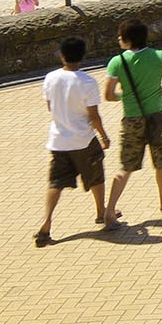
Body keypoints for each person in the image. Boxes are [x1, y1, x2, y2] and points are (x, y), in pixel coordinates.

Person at [35, 36, 115, 246]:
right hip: (83, 139)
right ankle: (101, 213)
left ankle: (47, 221)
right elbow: (94, 116)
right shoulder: (87, 82)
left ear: (62, 55)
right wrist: (104, 136)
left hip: (58, 139)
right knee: (96, 176)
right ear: (82, 57)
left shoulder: (50, 78)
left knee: (56, 182)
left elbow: (50, 106)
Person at [102, 19, 162, 219]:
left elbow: (109, 95)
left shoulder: (117, 62)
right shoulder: (159, 56)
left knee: (126, 166)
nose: (118, 38)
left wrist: (126, 96)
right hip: (158, 116)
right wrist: (158, 92)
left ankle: (110, 209)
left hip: (132, 119)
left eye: (121, 36)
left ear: (128, 40)